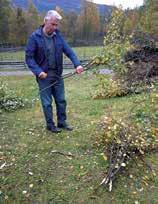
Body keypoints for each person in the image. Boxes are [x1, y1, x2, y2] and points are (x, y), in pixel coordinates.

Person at [25, 10, 84, 133]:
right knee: (47, 103)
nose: (55, 27)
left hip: (57, 74)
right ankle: (50, 125)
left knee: (61, 100)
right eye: (53, 24)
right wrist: (38, 72)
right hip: (43, 76)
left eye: (56, 25)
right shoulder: (34, 37)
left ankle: (62, 122)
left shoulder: (58, 36)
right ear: (45, 21)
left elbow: (69, 51)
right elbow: (29, 58)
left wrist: (77, 64)